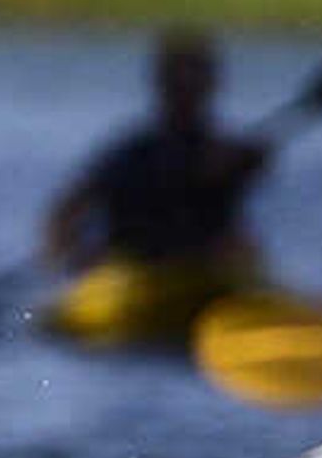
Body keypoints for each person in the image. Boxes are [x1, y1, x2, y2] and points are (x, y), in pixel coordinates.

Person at [39, 28, 269, 277]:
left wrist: (245, 167)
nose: (187, 92)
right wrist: (68, 253)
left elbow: (234, 181)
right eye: (179, 83)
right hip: (135, 276)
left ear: (210, 85)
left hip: (209, 272)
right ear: (162, 85)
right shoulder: (131, 155)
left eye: (195, 81)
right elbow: (66, 211)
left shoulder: (231, 153)